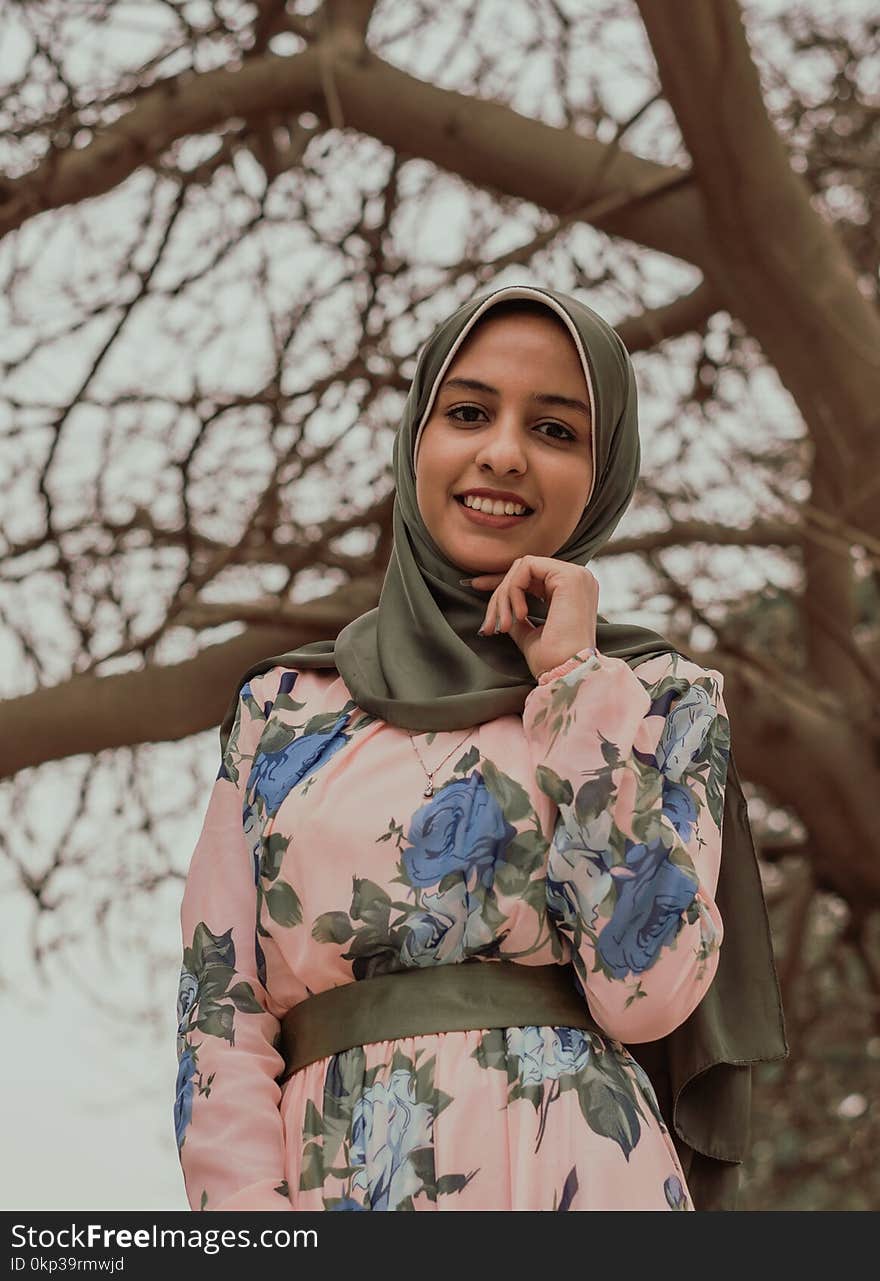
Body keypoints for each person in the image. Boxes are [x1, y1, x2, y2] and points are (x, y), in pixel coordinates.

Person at [174, 284, 787, 1212]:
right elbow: (219, 1019)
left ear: (602, 472)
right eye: (468, 413)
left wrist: (574, 681)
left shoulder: (658, 696)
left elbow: (646, 989)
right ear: (417, 438)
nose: (503, 454)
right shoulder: (284, 708)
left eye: (555, 430)